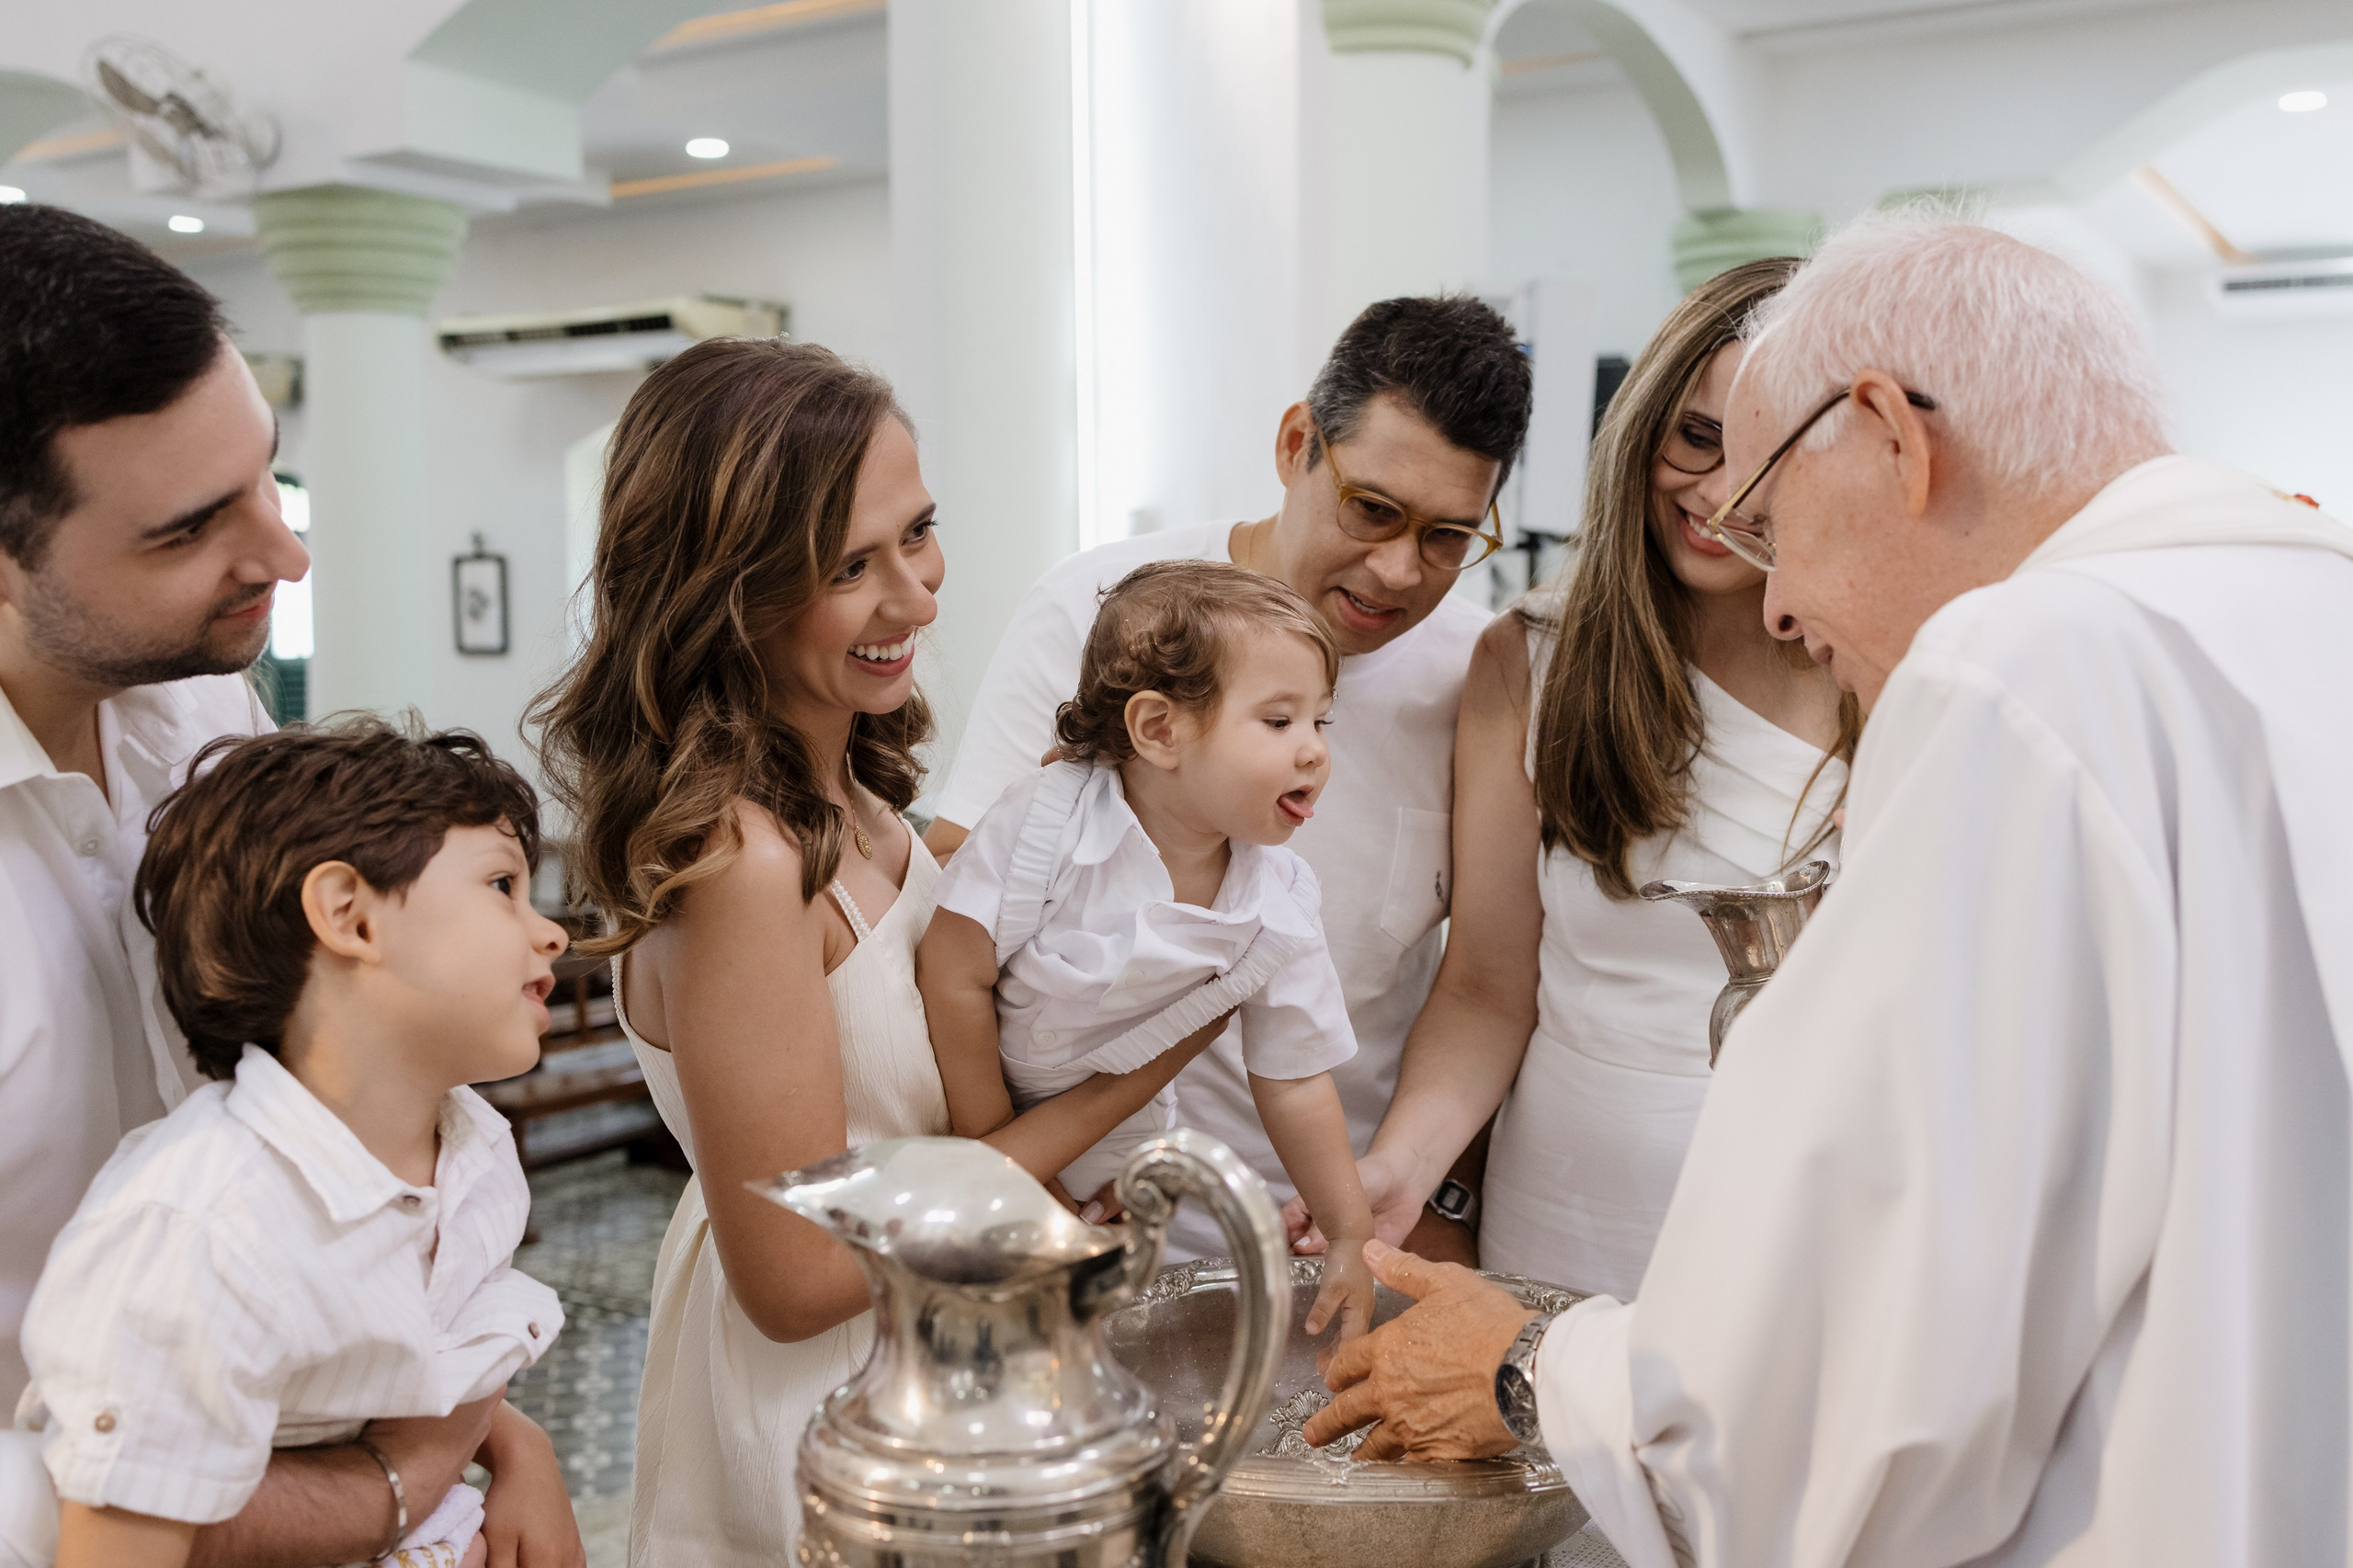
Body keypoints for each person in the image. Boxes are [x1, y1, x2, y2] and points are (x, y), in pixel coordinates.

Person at [1302, 212, 2353, 1568]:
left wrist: (1536, 1374)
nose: (1782, 596)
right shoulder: (2294, 597)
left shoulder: (2013, 671)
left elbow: (1870, 1397)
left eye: (1774, 518)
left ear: (1891, 437)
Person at [529, 340, 1196, 1564]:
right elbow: (791, 1271)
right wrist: (1113, 1094)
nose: (921, 596)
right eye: (849, 567)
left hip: (935, 1346)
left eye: (919, 532)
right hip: (826, 1402)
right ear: (730, 591)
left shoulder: (863, 801)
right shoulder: (744, 859)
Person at [0, 205, 494, 1568]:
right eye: (187, 530)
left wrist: (487, 1423)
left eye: (267, 473)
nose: (286, 554)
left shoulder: (205, 706)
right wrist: (373, 1488)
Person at [926, 296, 1532, 1259]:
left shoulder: (1477, 674)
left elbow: (1484, 982)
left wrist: (1421, 1194)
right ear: (1297, 444)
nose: (1396, 569)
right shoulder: (1102, 611)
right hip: (1084, 1225)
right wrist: (1022, 1168)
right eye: (1372, 508)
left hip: (1329, 1231)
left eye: (1447, 538)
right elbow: (960, 903)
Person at [1302, 259, 1852, 1298]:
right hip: (1563, 1218)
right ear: (1641, 423)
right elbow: (1483, 986)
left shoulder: (1886, 657)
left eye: (1767, 457)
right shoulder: (1532, 658)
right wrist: (1404, 1170)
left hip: (1808, 1229)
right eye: (1694, 438)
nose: (1719, 493)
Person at [18, 719, 580, 1568]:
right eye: (502, 886)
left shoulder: (476, 1153)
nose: (551, 933)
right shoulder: (200, 1229)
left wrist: (522, 1461)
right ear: (349, 915)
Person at [921, 562, 1375, 1340]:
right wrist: (1004, 1151)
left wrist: (1348, 1232)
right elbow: (950, 970)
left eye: (1319, 723)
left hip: (1122, 1163)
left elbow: (1295, 1078)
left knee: (1089, 1341)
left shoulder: (1279, 903)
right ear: (1159, 730)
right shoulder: (1046, 824)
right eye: (1279, 722)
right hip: (967, 1115)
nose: (1313, 753)